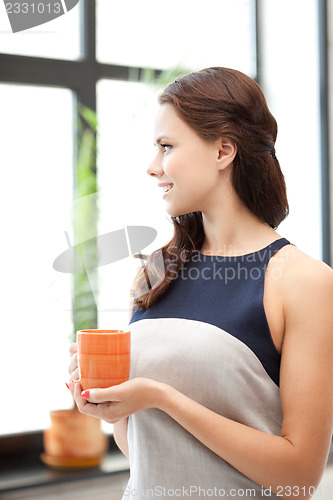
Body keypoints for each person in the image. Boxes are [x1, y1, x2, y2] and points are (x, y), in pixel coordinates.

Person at [68, 67, 333, 499]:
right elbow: (145, 451)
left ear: (223, 151)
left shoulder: (303, 281)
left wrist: (162, 398)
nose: (153, 167)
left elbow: (300, 479)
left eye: (166, 147)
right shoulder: (157, 271)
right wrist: (110, 409)